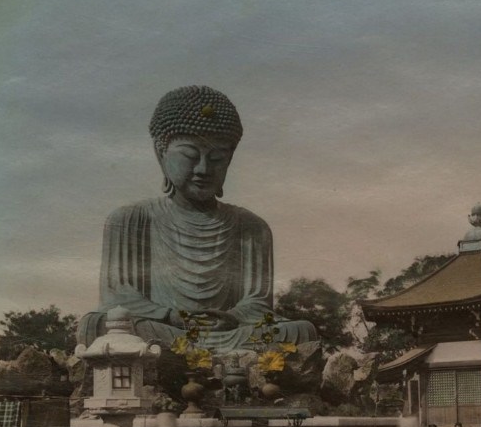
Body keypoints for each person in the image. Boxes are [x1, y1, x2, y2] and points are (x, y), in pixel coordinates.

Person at [77, 85, 317, 352]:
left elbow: (258, 303)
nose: (203, 169)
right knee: (95, 324)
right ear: (161, 153)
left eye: (217, 158)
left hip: (227, 334)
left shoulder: (251, 226)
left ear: (230, 159)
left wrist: (234, 317)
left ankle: (196, 356)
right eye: (190, 155)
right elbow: (118, 300)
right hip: (164, 329)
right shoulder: (130, 219)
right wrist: (171, 316)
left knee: (301, 330)